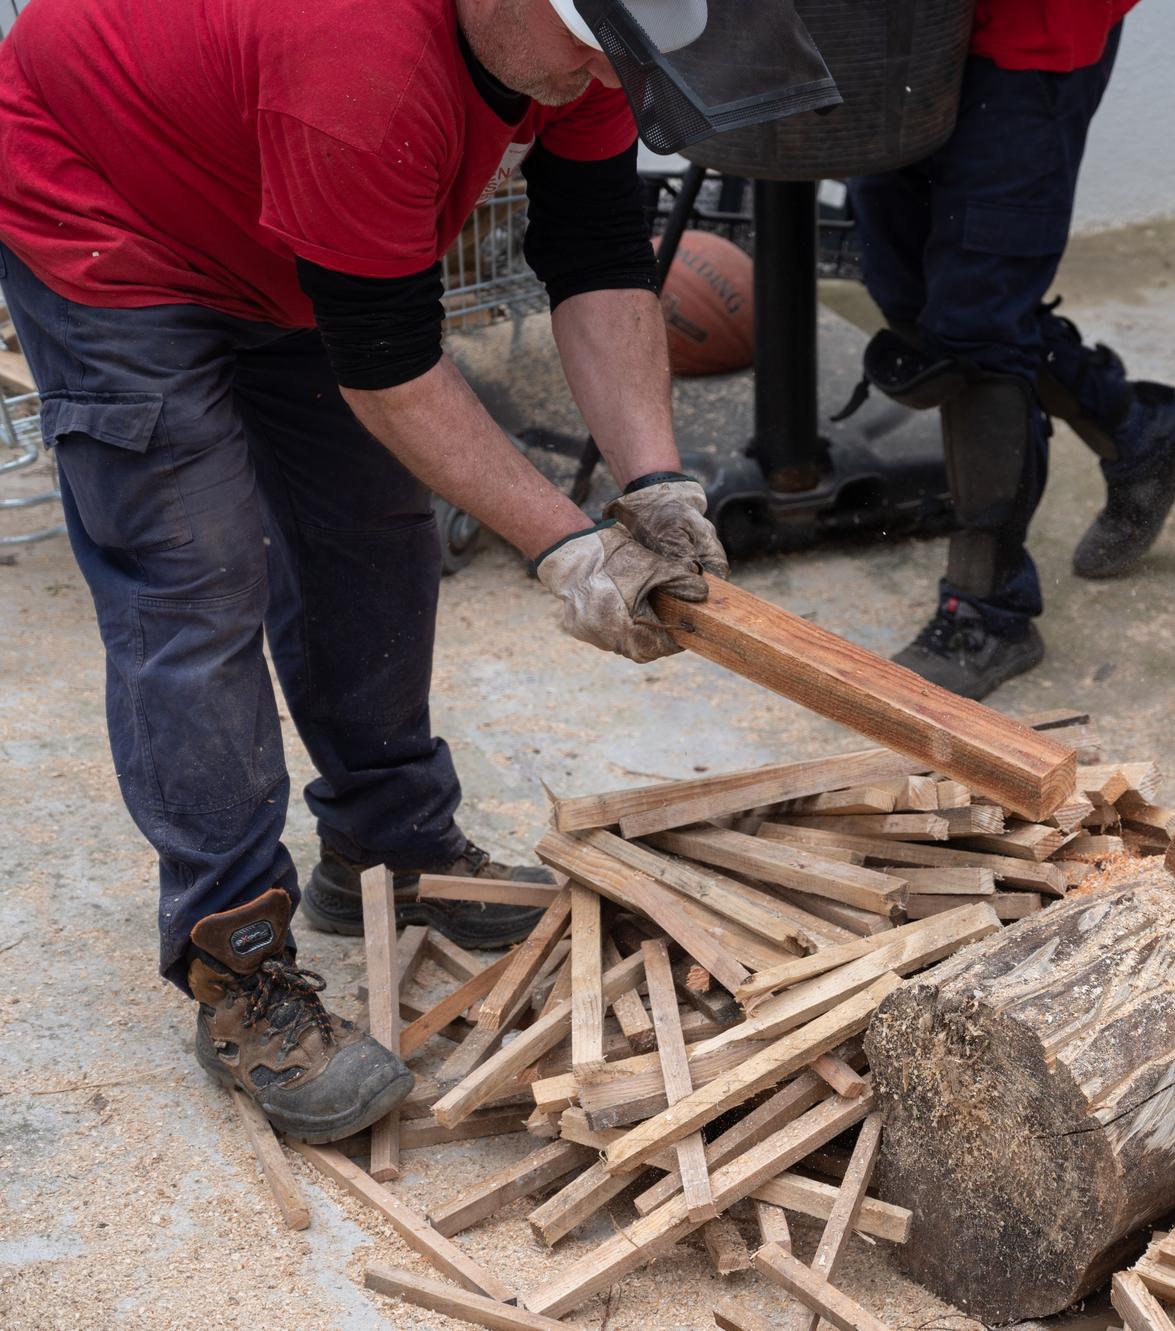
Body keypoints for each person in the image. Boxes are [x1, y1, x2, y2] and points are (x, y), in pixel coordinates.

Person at [0, 0, 802, 1142]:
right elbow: (386, 364)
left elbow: (598, 257)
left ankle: (390, 838)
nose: (589, 80)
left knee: (373, 523)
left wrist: (653, 481)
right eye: (583, 51)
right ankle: (238, 962)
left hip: (281, 195)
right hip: (111, 209)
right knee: (195, 575)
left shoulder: (586, 40)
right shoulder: (359, 67)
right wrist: (566, 546)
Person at [844, 0, 1175, 700]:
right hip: (895, 39)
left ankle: (988, 611)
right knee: (912, 294)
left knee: (975, 327)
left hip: (1029, 35)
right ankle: (1144, 434)